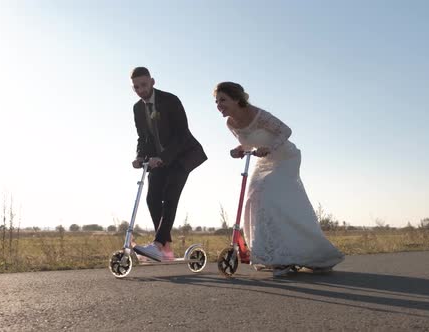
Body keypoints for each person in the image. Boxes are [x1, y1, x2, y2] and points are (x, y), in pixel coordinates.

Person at [213, 81, 344, 277]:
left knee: (269, 195)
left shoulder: (259, 115)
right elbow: (247, 144)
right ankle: (272, 254)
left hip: (285, 157)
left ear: (236, 99)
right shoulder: (230, 123)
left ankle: (290, 256)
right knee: (252, 198)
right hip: (263, 162)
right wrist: (239, 151)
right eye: (216, 101)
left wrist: (269, 148)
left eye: (223, 100)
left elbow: (286, 130)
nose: (218, 105)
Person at [130, 67, 207, 261]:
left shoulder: (170, 100)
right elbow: (143, 137)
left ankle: (158, 244)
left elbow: (182, 134)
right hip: (157, 159)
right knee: (152, 198)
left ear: (152, 82)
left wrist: (163, 157)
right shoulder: (138, 108)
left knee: (170, 195)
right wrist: (140, 157)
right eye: (136, 87)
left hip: (182, 155)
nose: (141, 90)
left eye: (144, 85)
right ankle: (166, 249)